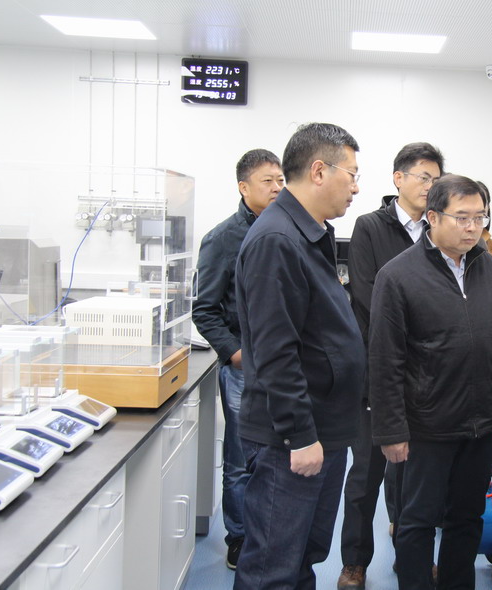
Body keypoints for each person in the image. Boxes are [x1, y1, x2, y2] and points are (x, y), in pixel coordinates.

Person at [369, 174, 492, 590]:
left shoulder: (489, 267)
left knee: (467, 518)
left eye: (480, 217)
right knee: (416, 521)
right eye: (462, 217)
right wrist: (391, 430)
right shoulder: (398, 275)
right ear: (433, 217)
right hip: (426, 425)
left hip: (480, 423)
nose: (473, 227)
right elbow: (385, 360)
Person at [233, 123, 366, 590]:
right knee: (272, 567)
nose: (356, 187)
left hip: (323, 428)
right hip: (290, 439)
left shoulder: (309, 233)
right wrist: (300, 435)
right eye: (351, 174)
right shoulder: (278, 239)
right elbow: (275, 352)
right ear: (318, 171)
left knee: (303, 557)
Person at [337, 142, 445, 590]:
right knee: (366, 475)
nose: (431, 186)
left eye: (437, 179)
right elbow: (366, 297)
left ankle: (411, 556)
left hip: (423, 377)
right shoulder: (370, 227)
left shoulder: (438, 229)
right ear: (398, 178)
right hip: (376, 372)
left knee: (412, 478)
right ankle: (354, 562)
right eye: (423, 177)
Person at [191, 148, 284, 569]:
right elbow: (205, 309)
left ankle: (269, 534)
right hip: (245, 368)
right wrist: (234, 353)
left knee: (278, 455)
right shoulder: (223, 238)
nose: (278, 187)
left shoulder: (285, 230)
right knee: (241, 458)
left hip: (282, 365)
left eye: (281, 180)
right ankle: (240, 537)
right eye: (268, 181)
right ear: (244, 187)